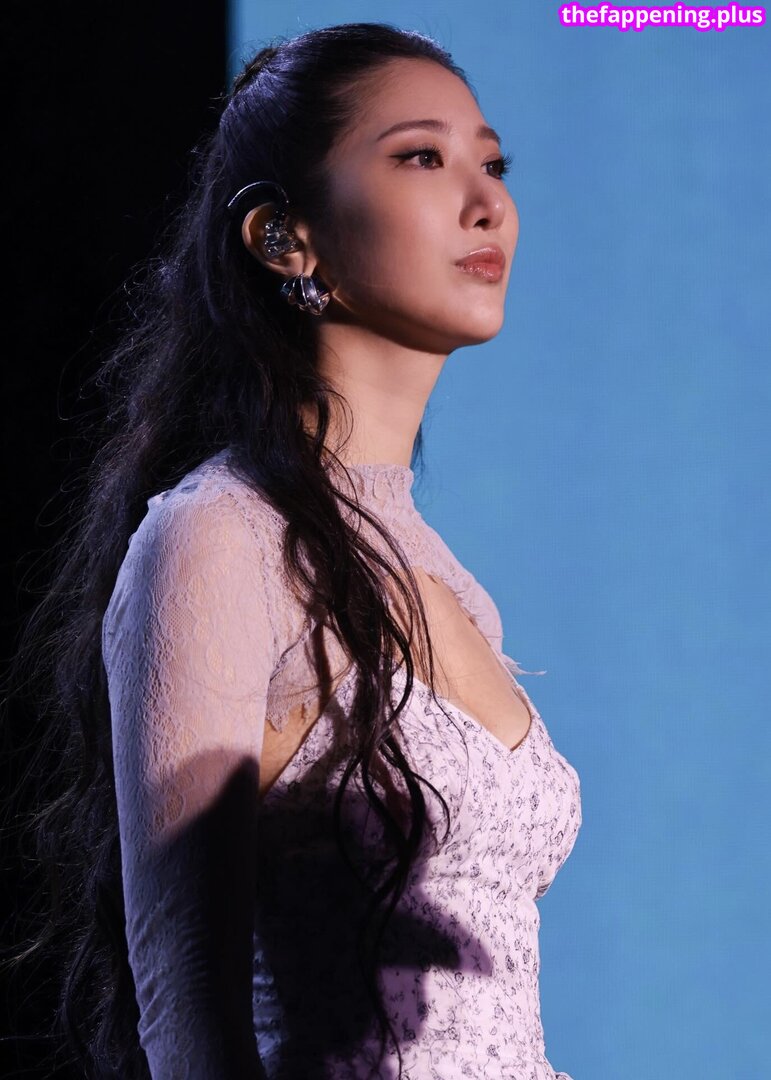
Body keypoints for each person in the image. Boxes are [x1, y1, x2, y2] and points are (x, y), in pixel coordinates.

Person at [8, 22, 582, 1080]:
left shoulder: (452, 584)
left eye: (494, 165)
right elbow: (184, 996)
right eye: (422, 157)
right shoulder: (220, 535)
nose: (486, 202)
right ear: (283, 237)